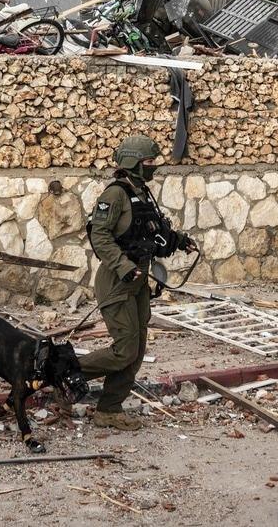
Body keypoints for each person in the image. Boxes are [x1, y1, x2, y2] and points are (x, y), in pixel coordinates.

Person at [81, 134, 197, 429]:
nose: (153, 167)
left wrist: (179, 241)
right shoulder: (115, 195)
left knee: (136, 350)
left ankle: (108, 409)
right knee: (125, 349)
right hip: (117, 280)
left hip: (138, 280)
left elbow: (151, 232)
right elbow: (100, 235)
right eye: (148, 162)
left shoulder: (142, 192)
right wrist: (123, 265)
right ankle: (66, 372)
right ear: (133, 163)